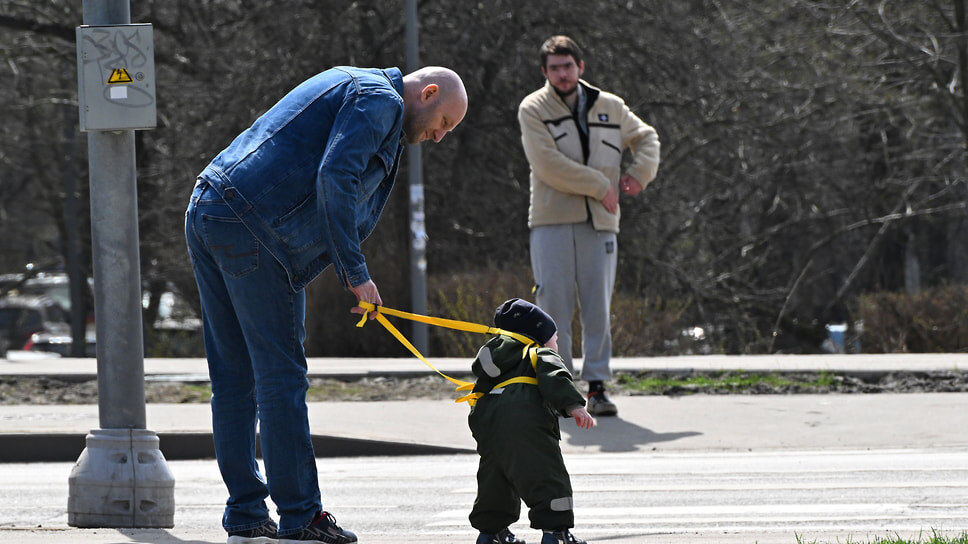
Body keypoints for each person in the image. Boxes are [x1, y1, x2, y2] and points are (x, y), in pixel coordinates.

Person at [184, 65, 467, 544]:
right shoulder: (382, 100)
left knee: (234, 378)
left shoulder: (352, 82)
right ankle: (300, 515)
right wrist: (355, 274)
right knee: (281, 377)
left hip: (210, 207)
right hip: (257, 229)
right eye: (444, 123)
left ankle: (247, 513)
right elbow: (336, 177)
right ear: (429, 93)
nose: (439, 138)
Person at [518, 35, 661, 417]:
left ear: (581, 67)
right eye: (554, 69)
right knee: (552, 308)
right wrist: (602, 186)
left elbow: (647, 137)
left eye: (568, 66)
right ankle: (557, 389)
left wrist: (638, 176)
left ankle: (597, 387)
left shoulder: (610, 106)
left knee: (598, 306)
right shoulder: (533, 108)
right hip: (552, 221)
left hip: (601, 224)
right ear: (544, 72)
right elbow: (547, 163)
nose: (562, 74)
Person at [468, 298, 596, 544]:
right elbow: (555, 377)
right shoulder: (539, 353)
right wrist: (574, 406)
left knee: (495, 481)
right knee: (546, 476)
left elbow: (479, 394)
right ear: (537, 335)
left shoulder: (497, 362)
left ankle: (491, 533)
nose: (556, 344)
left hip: (491, 429)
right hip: (528, 427)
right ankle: (556, 533)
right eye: (555, 338)